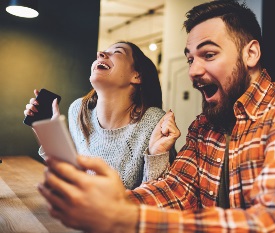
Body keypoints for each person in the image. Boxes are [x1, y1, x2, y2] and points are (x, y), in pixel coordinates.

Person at [38, 1, 275, 232]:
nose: (194, 71)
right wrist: (110, 203)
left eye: (208, 55)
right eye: (190, 59)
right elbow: (175, 188)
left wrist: (122, 216)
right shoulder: (203, 126)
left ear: (250, 54)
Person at [25, 41, 179, 189]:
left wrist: (157, 155)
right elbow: (69, 175)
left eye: (117, 52)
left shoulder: (153, 121)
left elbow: (157, 193)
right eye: (102, 53)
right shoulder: (78, 110)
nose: (100, 54)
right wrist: (50, 133)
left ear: (136, 76)